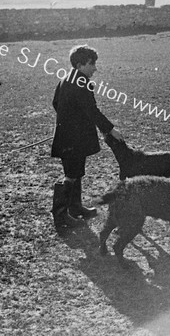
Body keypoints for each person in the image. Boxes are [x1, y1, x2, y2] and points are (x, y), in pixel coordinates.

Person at [50, 45, 124, 228]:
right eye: (92, 64)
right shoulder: (80, 82)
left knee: (76, 173)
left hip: (70, 135)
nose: (95, 68)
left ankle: (75, 208)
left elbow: (56, 103)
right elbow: (92, 111)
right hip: (72, 138)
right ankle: (61, 216)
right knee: (71, 176)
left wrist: (70, 119)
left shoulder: (66, 78)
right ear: (80, 64)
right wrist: (110, 130)